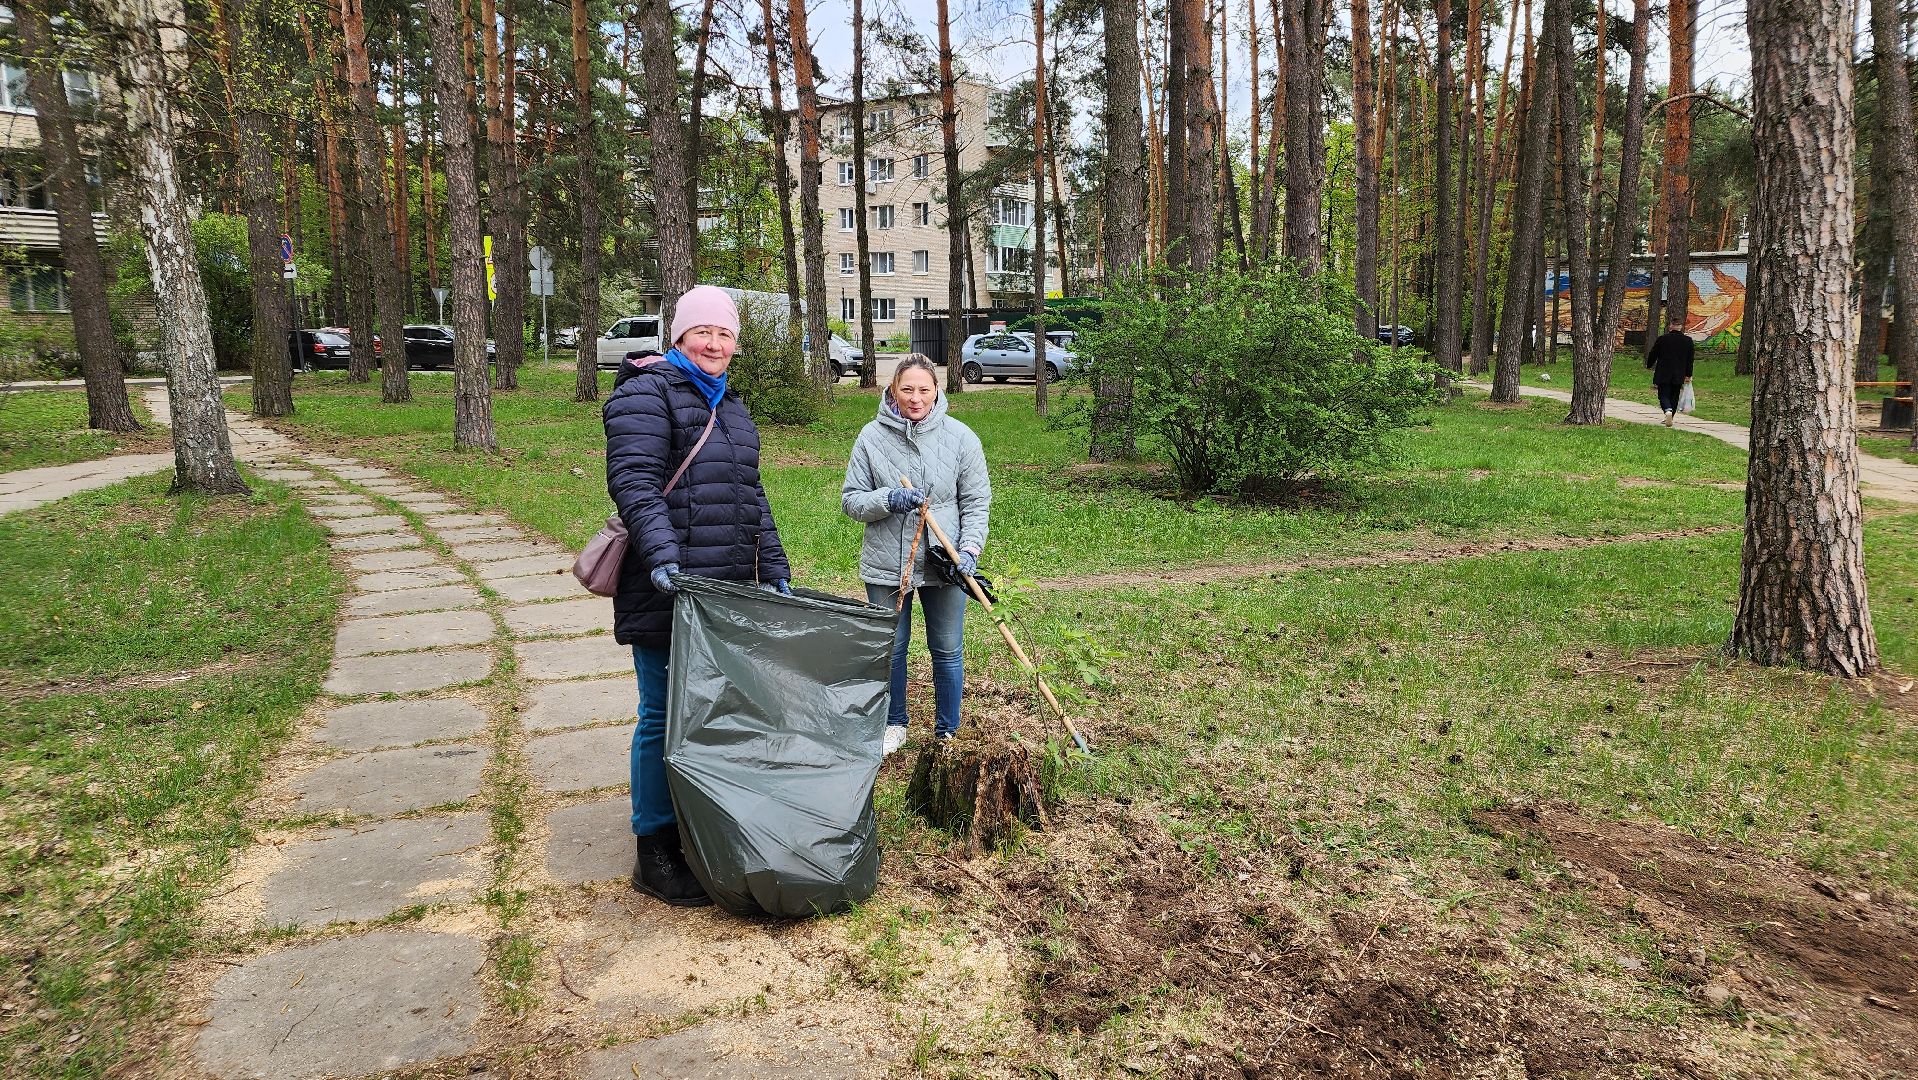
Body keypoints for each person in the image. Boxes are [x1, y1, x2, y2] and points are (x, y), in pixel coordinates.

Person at [605, 285, 791, 907]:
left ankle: (695, 827)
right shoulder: (646, 393)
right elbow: (634, 481)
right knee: (661, 713)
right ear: (679, 336)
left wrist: (775, 566)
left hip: (724, 592)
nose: (714, 344)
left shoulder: (732, 408)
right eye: (702, 332)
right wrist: (663, 559)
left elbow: (750, 497)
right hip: (667, 587)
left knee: (709, 714)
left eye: (725, 334)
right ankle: (653, 846)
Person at [841, 355, 992, 757]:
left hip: (946, 561)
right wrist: (888, 499)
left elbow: (976, 503)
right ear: (893, 390)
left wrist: (970, 549)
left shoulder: (961, 438)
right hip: (887, 562)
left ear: (937, 390)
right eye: (907, 389)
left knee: (947, 647)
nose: (915, 398)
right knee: (892, 646)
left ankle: (947, 730)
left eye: (924, 389)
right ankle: (894, 723)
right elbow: (852, 501)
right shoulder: (871, 437)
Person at [1646, 326, 1695, 426]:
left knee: (1663, 394)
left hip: (1664, 372)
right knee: (1675, 395)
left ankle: (1667, 410)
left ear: (1670, 327)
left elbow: (1653, 353)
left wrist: (1649, 364)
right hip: (1679, 373)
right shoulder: (1688, 341)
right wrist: (1688, 374)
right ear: (1681, 328)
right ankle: (1671, 416)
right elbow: (1690, 359)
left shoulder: (1663, 339)